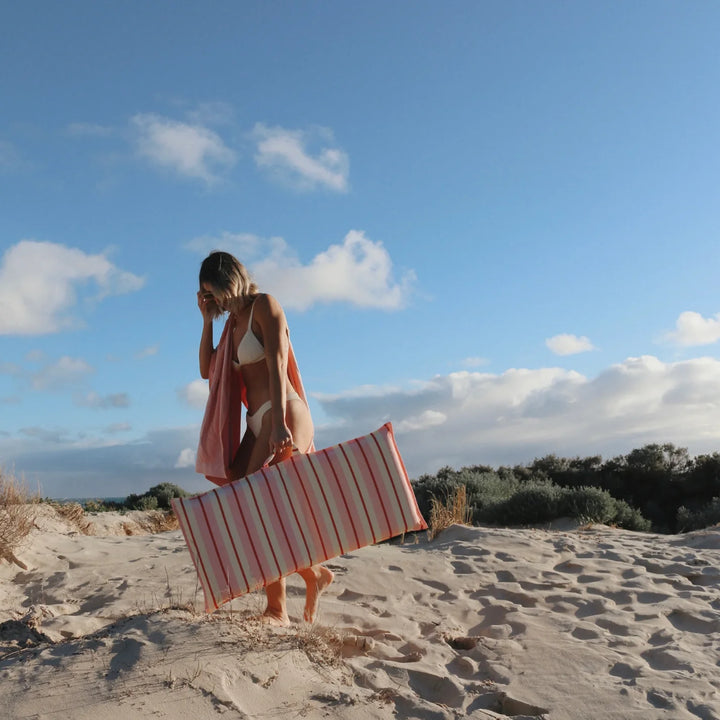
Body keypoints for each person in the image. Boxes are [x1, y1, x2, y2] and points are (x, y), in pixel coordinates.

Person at [196, 250, 333, 625]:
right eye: (208, 295)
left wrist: (278, 426)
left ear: (231, 280)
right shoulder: (231, 323)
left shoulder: (264, 305)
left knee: (260, 504)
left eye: (215, 292)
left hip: (283, 412)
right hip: (258, 420)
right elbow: (208, 370)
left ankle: (277, 610)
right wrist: (207, 320)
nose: (216, 301)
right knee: (248, 500)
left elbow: (276, 360)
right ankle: (313, 574)